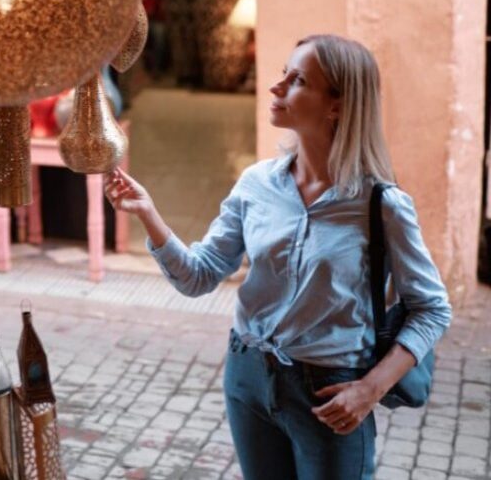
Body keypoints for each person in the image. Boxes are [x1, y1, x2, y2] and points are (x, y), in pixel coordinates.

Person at [105, 35, 451, 480]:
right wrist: (148, 214)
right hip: (247, 377)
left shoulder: (381, 205)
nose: (276, 87)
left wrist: (370, 388)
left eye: (298, 80)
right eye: (283, 74)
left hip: (330, 392)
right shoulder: (255, 185)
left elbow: (432, 309)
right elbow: (199, 277)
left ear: (336, 105)